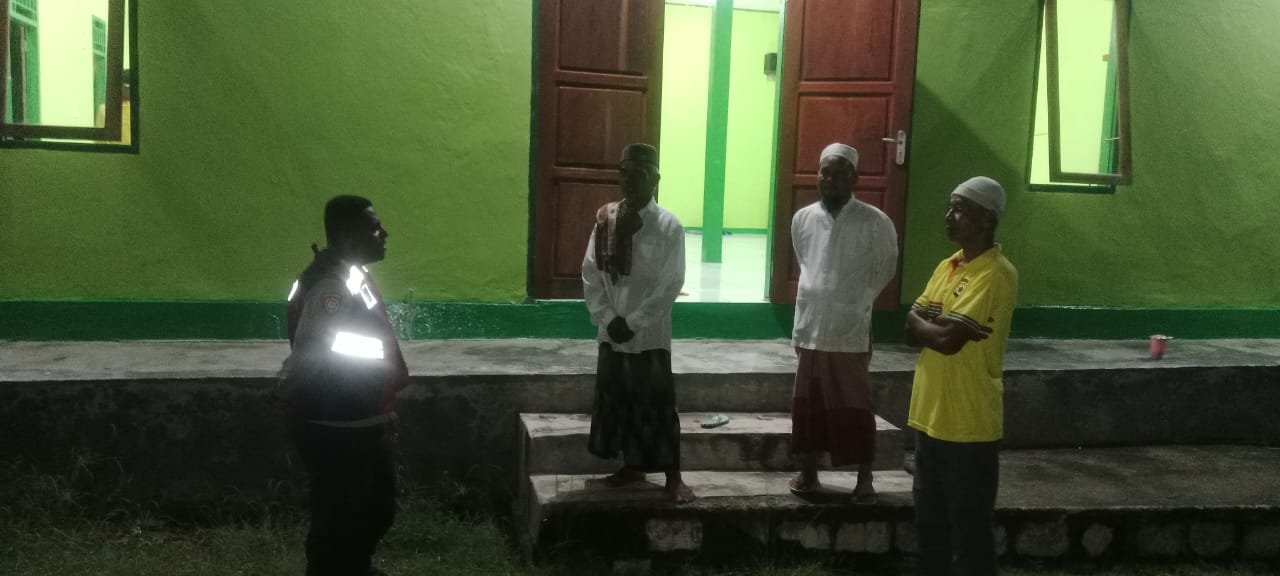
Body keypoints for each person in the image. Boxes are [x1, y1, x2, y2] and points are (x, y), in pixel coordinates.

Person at [281, 195, 409, 576]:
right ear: (347, 236)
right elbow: (310, 352)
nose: (384, 233)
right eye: (374, 227)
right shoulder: (330, 286)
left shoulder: (351, 275)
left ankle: (356, 568)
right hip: (335, 424)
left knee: (374, 509)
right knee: (338, 521)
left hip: (360, 415)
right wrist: (289, 391)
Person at [904, 177, 1018, 576]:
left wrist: (927, 323)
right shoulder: (946, 267)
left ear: (986, 219)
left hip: (969, 422)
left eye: (959, 210)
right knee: (929, 523)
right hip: (929, 415)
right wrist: (928, 325)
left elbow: (948, 340)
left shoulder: (995, 274)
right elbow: (909, 329)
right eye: (949, 208)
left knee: (969, 531)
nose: (948, 217)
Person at [581, 143, 694, 504]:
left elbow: (671, 282)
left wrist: (634, 321)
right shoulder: (605, 220)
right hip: (612, 331)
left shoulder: (669, 226)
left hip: (649, 335)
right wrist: (608, 318)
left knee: (657, 406)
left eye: (640, 174)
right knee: (620, 402)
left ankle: (673, 477)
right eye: (625, 173)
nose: (630, 180)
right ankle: (632, 466)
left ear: (655, 179)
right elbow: (591, 273)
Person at [787, 143, 899, 503]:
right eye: (825, 172)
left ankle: (864, 479)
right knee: (808, 407)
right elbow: (805, 261)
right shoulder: (803, 219)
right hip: (810, 328)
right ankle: (809, 474)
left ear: (855, 178)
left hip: (848, 331)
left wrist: (855, 300)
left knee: (854, 407)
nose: (831, 180)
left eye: (839, 173)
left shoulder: (874, 221)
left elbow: (886, 267)